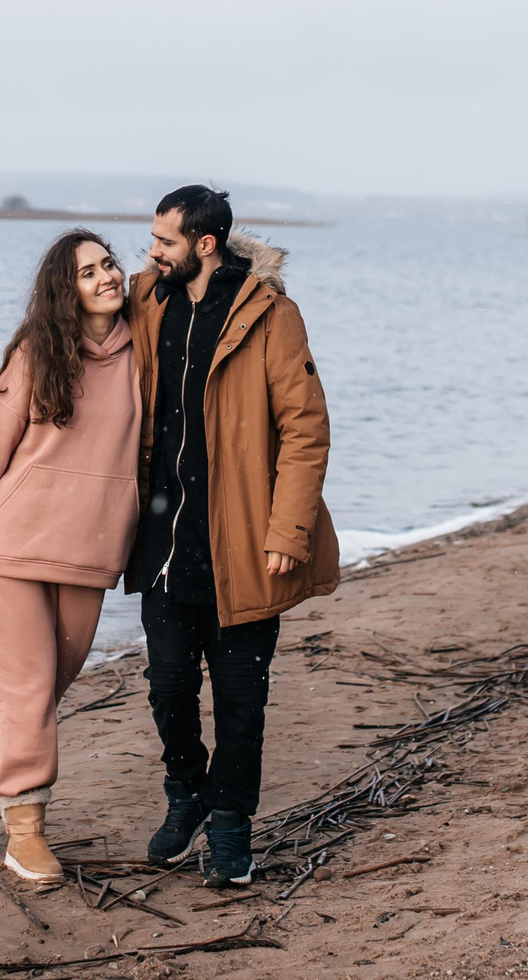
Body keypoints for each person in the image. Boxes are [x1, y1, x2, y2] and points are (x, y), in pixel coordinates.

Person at [127, 184, 337, 887]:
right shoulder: (147, 300)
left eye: (164, 241)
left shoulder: (272, 317)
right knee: (167, 689)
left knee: (242, 704)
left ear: (204, 245)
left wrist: (289, 531)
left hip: (245, 542)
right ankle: (185, 792)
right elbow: (80, 330)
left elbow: (306, 430)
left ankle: (229, 829)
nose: (151, 251)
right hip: (162, 542)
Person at [0, 229, 143, 889]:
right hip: (14, 546)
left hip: (92, 549)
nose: (106, 276)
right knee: (26, 693)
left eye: (110, 264)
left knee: (42, 693)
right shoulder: (36, 353)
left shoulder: (146, 348)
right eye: (88, 272)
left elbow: (197, 266)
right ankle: (26, 832)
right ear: (64, 289)